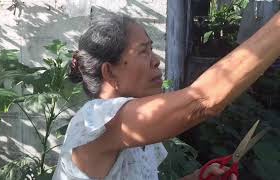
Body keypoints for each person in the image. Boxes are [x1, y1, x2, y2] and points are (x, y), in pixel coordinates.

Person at [52, 12, 280, 180]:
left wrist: (198, 177)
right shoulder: (97, 120)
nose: (156, 60)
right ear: (109, 72)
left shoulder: (132, 131)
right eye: (143, 51)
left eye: (151, 49)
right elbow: (203, 101)